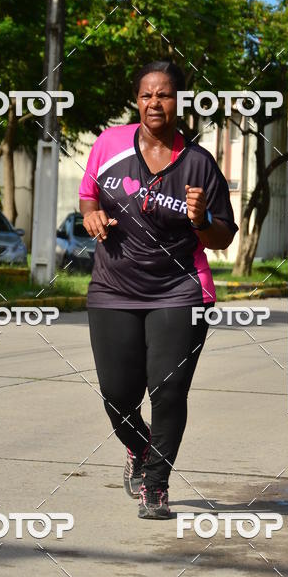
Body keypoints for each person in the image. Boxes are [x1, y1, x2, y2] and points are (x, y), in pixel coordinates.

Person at [79, 61, 238, 519]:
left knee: (168, 391)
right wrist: (90, 213)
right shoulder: (109, 144)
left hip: (180, 291)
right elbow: (89, 192)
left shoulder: (198, 163)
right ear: (137, 100)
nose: (155, 103)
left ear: (179, 101)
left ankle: (157, 484)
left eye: (164, 95)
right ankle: (139, 446)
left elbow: (223, 237)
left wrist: (201, 218)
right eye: (147, 95)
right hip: (113, 287)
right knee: (116, 394)